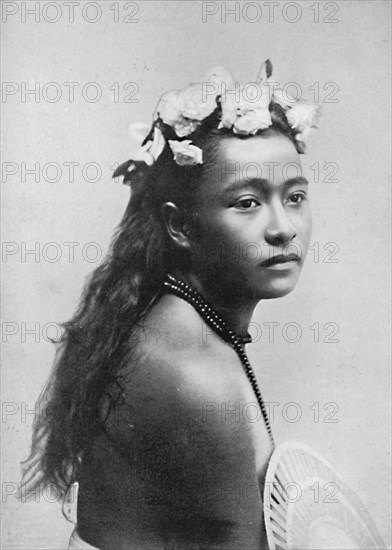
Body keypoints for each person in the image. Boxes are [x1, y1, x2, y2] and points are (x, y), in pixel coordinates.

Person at [22, 60, 319, 549]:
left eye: (295, 196)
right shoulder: (192, 371)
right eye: (247, 202)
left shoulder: (176, 323)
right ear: (179, 226)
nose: (282, 227)